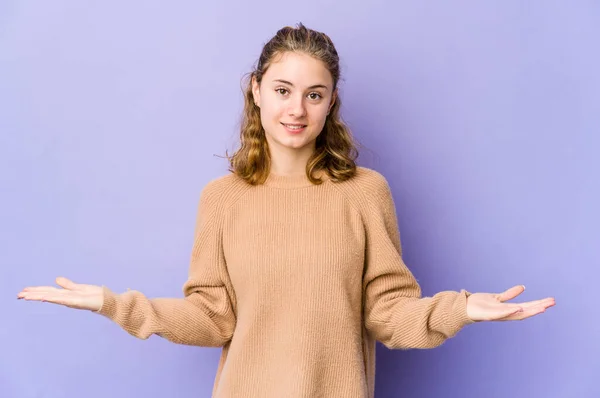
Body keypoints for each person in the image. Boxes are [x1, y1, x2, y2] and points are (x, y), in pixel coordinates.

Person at [18, 23, 555, 398]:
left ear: (331, 103)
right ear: (256, 91)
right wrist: (118, 305)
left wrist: (458, 309)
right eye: (282, 89)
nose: (297, 109)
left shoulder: (365, 193)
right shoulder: (221, 199)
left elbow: (388, 314)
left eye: (315, 94)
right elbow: (212, 317)